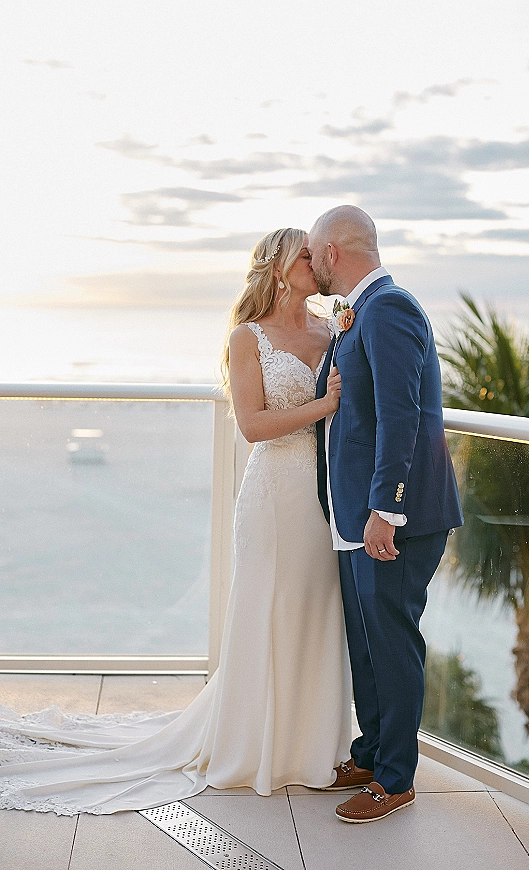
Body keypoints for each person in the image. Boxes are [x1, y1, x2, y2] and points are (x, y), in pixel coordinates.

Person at [0, 228, 352, 815]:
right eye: (305, 256)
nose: (316, 264)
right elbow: (252, 425)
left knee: (317, 609)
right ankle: (253, 745)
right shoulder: (248, 337)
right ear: (278, 266)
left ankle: (308, 748)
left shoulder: (332, 329)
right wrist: (323, 406)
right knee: (266, 610)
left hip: (326, 496)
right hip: (273, 494)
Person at [308, 205, 464, 823]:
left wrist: (385, 510)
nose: (314, 266)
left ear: (335, 254)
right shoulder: (359, 313)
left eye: (316, 255)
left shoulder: (389, 308)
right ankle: (371, 753)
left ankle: (397, 778)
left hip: (395, 520)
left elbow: (403, 417)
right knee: (365, 642)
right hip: (356, 517)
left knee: (393, 645)